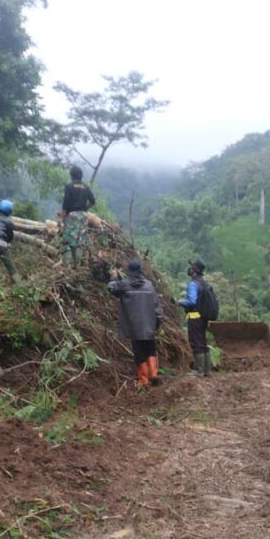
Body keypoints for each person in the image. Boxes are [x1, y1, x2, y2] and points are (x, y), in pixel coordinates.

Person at [108, 259, 164, 387]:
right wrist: (158, 321)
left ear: (129, 271)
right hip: (149, 325)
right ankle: (153, 374)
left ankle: (143, 380)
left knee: (139, 352)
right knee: (150, 349)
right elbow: (157, 306)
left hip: (134, 326)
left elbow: (111, 288)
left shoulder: (124, 285)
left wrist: (114, 277)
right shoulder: (149, 285)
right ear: (140, 271)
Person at [178, 259, 212, 375]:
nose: (190, 269)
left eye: (191, 268)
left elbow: (192, 301)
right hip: (203, 318)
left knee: (196, 342)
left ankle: (199, 370)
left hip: (194, 317)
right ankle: (207, 370)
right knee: (203, 342)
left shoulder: (193, 284)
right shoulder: (204, 283)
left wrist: (181, 302)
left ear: (194, 271)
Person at [59, 165, 96, 268]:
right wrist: (85, 209)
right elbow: (93, 201)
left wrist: (61, 220)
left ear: (72, 176)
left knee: (68, 242)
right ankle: (77, 266)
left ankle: (68, 267)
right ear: (81, 176)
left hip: (72, 216)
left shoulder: (69, 187)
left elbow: (65, 205)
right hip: (84, 217)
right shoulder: (86, 187)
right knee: (80, 242)